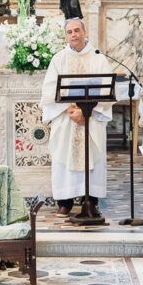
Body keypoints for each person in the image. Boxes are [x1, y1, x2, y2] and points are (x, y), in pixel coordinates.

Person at [40, 17, 114, 219]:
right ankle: (65, 202)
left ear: (84, 32)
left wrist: (85, 111)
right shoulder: (59, 59)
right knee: (64, 158)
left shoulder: (99, 59)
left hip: (91, 119)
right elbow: (49, 91)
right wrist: (70, 110)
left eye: (77, 30)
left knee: (93, 158)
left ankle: (91, 201)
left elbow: (107, 88)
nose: (73, 34)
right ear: (66, 36)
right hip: (67, 119)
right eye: (69, 32)